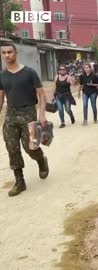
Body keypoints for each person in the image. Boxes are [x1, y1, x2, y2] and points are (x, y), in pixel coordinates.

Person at [0, 43, 50, 197]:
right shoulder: (2, 75)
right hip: (11, 114)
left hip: (28, 112)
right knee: (12, 148)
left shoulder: (29, 73)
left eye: (10, 52)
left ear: (16, 53)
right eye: (4, 53)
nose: (7, 55)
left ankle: (41, 160)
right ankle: (19, 181)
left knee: (30, 147)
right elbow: (1, 99)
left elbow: (41, 95)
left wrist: (41, 114)